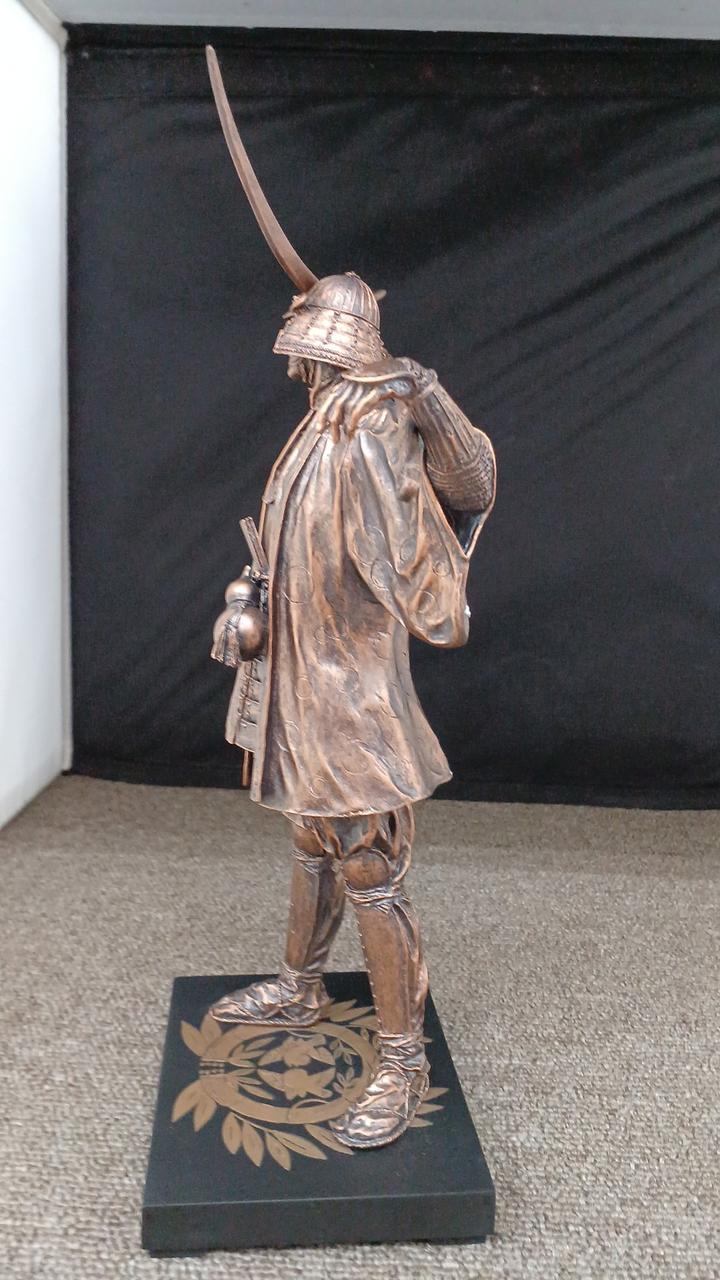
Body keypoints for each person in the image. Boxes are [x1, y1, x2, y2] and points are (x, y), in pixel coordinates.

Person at [204, 52, 496, 1149]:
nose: (293, 363)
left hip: (353, 690)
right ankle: (298, 985)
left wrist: (422, 402)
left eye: (304, 348)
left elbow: (440, 529)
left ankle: (401, 1059)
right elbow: (286, 545)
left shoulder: (370, 425)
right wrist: (248, 601)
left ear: (326, 349)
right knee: (311, 842)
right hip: (297, 674)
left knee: (372, 867)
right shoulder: (315, 425)